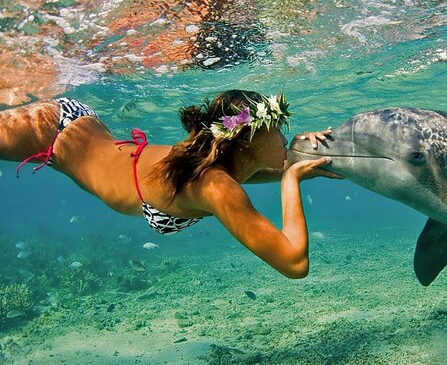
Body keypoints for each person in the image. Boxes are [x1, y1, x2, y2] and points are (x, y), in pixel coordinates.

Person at [0, 90, 338, 278]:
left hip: (76, 127)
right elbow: (294, 264)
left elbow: (258, 169)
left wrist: (300, 155)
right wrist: (291, 179)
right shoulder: (216, 186)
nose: (283, 136)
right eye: (275, 129)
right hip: (51, 131)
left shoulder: (217, 160)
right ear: (246, 140)